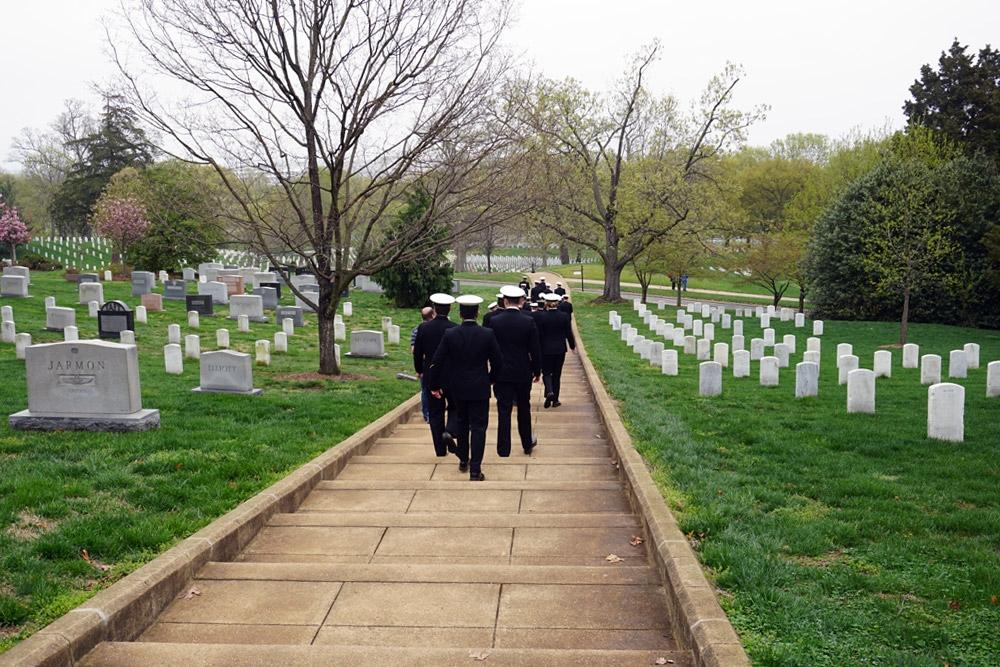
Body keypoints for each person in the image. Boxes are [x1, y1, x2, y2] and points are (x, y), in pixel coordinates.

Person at [427, 295, 503, 481]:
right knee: (478, 428)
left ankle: (463, 459)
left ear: (460, 314)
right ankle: (475, 469)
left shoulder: (450, 334)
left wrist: (434, 385)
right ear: (477, 313)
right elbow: (498, 362)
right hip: (479, 387)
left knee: (462, 423)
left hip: (457, 386)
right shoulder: (487, 334)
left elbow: (436, 361)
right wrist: (491, 379)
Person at [485, 285, 542, 457]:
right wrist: (537, 371)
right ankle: (526, 443)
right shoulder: (528, 321)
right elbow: (535, 349)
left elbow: (491, 349)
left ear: (505, 301)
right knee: (524, 408)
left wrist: (491, 373)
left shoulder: (494, 321)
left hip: (501, 372)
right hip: (522, 371)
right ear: (521, 301)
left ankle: (503, 448)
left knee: (504, 410)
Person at [412, 293, 458, 460]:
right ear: (450, 308)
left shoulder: (424, 328)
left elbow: (418, 352)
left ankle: (440, 449)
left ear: (434, 309)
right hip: (451, 375)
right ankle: (450, 431)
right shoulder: (455, 328)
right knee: (454, 407)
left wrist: (419, 370)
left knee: (435, 412)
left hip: (431, 375)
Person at [536, 292, 575, 408]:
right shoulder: (564, 316)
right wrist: (572, 346)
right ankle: (555, 400)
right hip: (560, 349)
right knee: (557, 374)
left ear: (546, 303)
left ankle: (549, 391)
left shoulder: (541, 316)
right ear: (557, 303)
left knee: (546, 372)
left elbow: (538, 334)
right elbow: (568, 333)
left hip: (545, 349)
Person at [412, 306, 434, 422]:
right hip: (432, 362)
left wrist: (418, 369)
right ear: (433, 315)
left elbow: (414, 350)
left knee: (425, 389)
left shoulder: (417, 329)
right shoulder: (428, 328)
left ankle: (427, 414)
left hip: (424, 363)